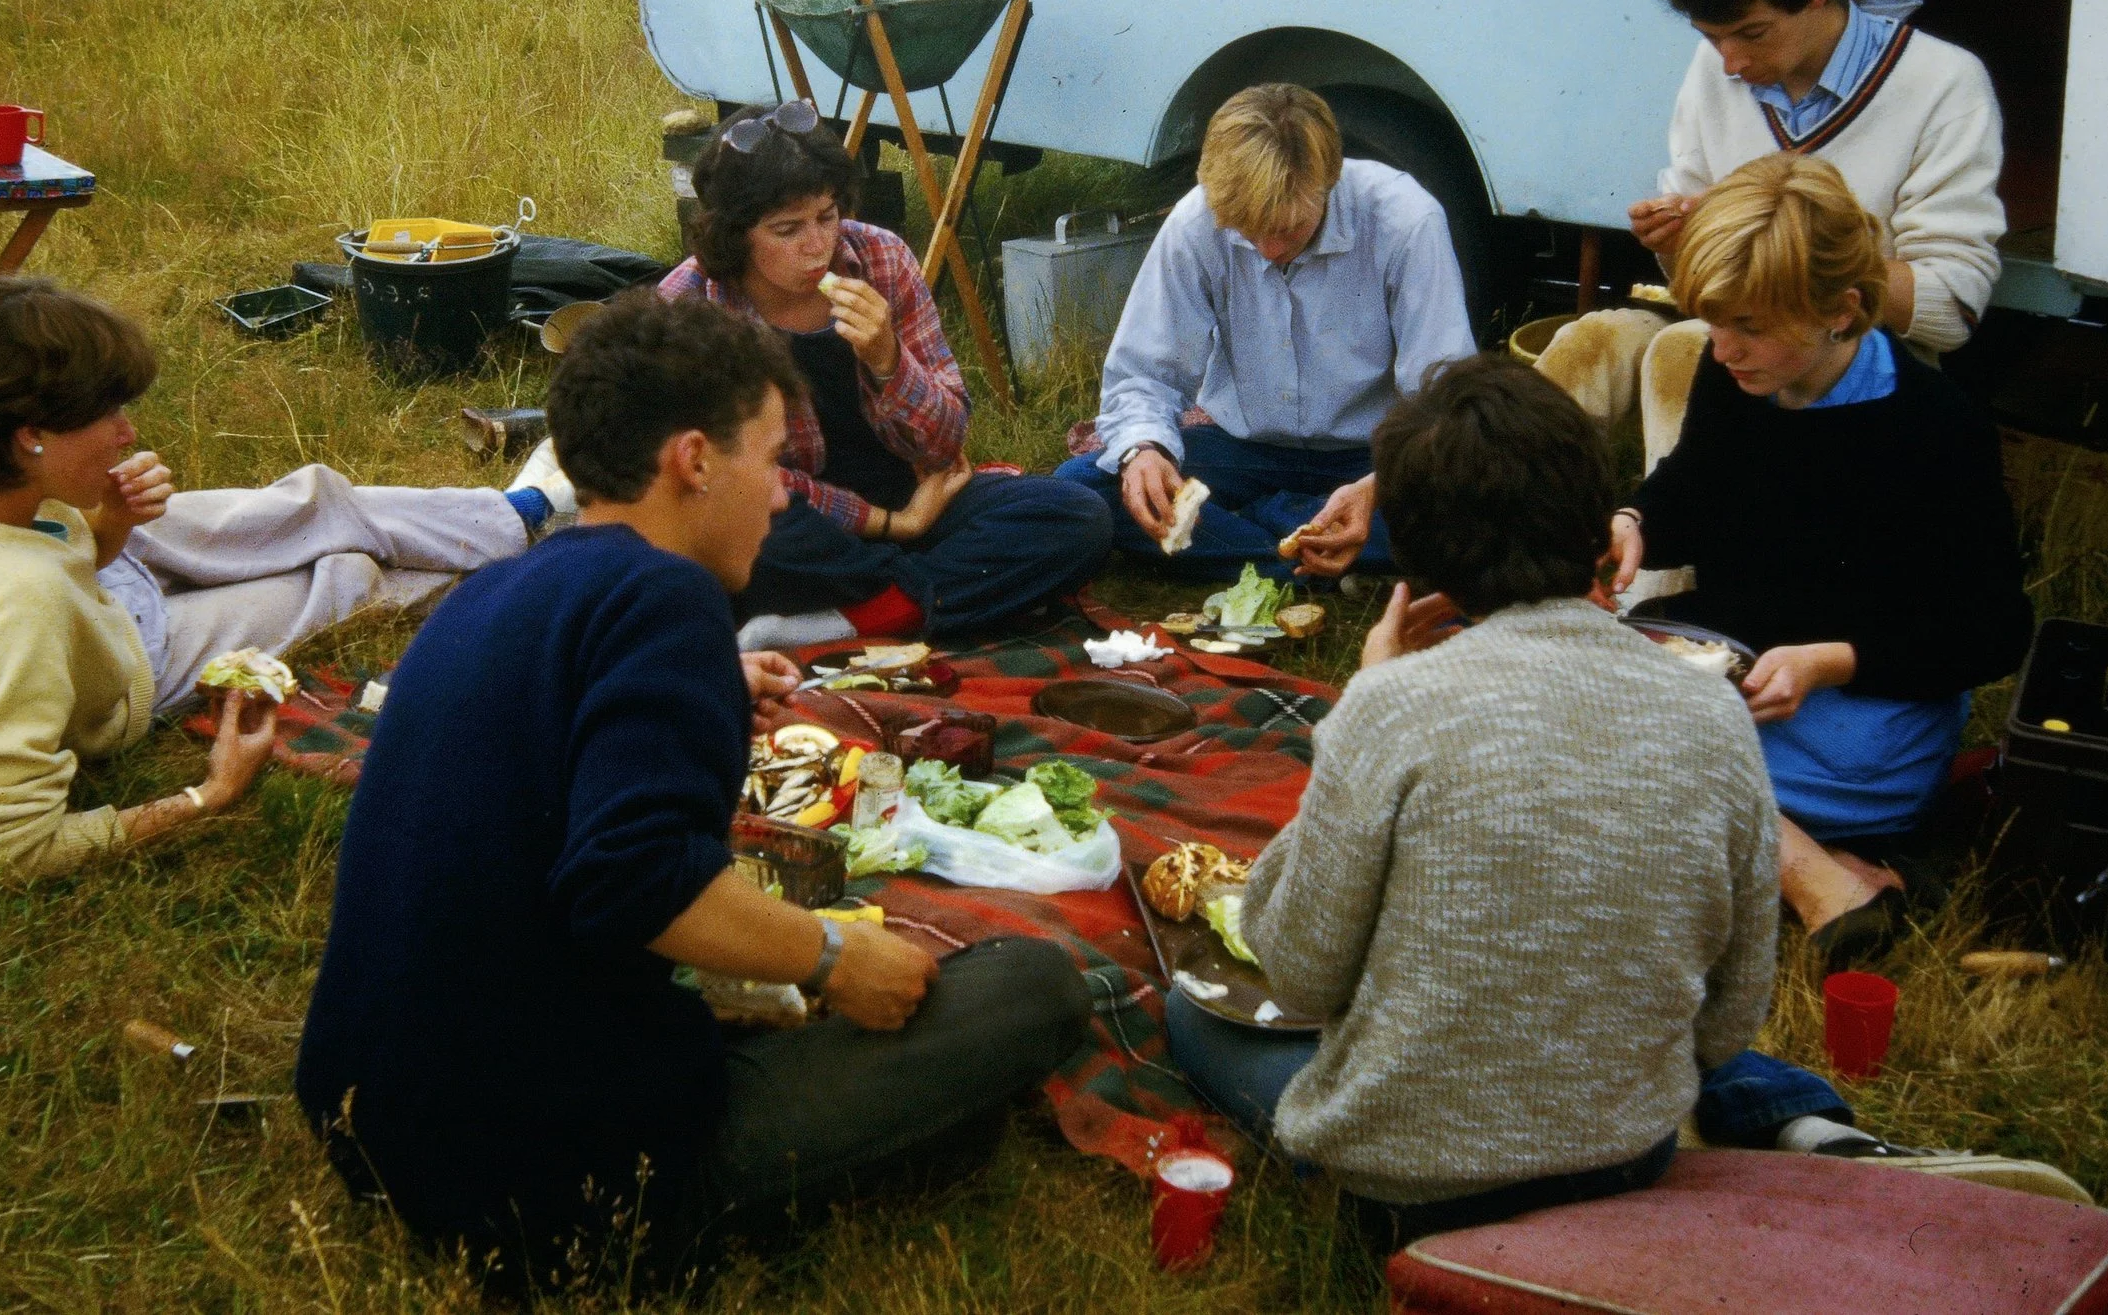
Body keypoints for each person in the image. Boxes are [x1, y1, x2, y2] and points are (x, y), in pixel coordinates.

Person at [294, 292, 1090, 1277]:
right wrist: (834, 954)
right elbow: (634, 880)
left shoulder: (500, 588)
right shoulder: (670, 596)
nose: (786, 497)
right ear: (695, 460)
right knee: (1030, 986)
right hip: (549, 1176)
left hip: (367, 1117)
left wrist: (709, 681)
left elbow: (553, 760)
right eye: (772, 459)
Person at [1167, 354, 1866, 1251]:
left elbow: (1300, 971)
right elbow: (1730, 1017)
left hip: (1412, 1191)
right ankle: (1789, 1118)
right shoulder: (1714, 711)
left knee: (1192, 1010)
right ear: (1596, 522)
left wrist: (1362, 709)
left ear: (1417, 559)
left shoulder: (1390, 708)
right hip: (1627, 1155)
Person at [0, 276, 547, 880]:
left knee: (306, 506)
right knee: (348, 575)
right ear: (29, 434)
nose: (128, 432)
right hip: (119, 655)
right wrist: (210, 793)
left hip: (67, 576)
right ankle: (545, 563)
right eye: (107, 415)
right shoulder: (16, 607)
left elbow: (49, 559)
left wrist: (111, 520)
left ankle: (523, 511)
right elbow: (6, 849)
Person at [1612, 153, 2034, 957]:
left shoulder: (1935, 427)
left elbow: (1993, 630)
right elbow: (1697, 485)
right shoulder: (1736, 370)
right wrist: (1636, 519)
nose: (1723, 348)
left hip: (1862, 720)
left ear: (1841, 310)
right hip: (1741, 684)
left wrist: (1829, 662)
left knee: (1600, 758)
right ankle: (1832, 873)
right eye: (1713, 321)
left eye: (1749, 327)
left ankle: (1812, 880)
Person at [658, 100, 1112, 647]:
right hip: (792, 520)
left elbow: (946, 443)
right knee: (732, 541)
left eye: (827, 216)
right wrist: (894, 526)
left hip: (908, 492)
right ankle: (920, 593)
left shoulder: (882, 258)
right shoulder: (692, 305)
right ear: (735, 235)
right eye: (786, 229)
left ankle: (847, 619)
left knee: (1077, 515)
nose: (817, 245)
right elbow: (737, 476)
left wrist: (888, 360)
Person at [1056, 84, 1475, 582]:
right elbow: (1145, 374)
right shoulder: (1196, 221)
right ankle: (1306, 543)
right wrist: (1143, 451)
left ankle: (1259, 533)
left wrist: (1378, 487)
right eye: (1247, 231)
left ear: (1328, 180)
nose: (1269, 250)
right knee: (1082, 490)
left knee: (1481, 511)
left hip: (1376, 454)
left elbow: (1442, 398)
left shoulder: (1405, 220)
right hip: (1242, 449)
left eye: (1288, 228)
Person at [1631, 0, 2006, 366]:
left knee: (1677, 351)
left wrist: (1792, 252)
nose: (1730, 63)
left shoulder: (1943, 81)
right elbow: (1697, 283)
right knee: (1594, 339)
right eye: (1711, 37)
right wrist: (1679, 239)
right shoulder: (1715, 66)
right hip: (1738, 339)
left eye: (1753, 33)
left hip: (1868, 355)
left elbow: (1952, 310)